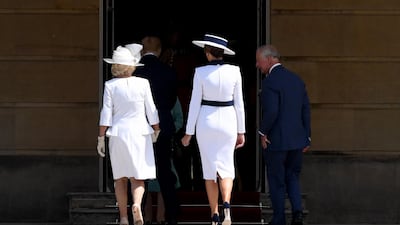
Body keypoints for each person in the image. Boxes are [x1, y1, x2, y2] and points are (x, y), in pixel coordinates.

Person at [181, 34, 246, 225]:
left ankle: (214, 214)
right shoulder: (235, 71)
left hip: (206, 119)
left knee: (209, 170)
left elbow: (194, 103)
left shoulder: (200, 72)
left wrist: (188, 132)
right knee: (226, 166)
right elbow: (239, 104)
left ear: (208, 53)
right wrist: (241, 131)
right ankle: (226, 204)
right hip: (228, 119)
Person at [97, 45, 160, 225]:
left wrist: (101, 137)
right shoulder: (143, 83)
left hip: (118, 134)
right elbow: (152, 110)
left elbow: (106, 114)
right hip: (140, 133)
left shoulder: (110, 85)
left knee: (120, 178)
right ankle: (137, 205)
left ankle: (124, 217)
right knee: (137, 177)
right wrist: (156, 129)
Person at [255, 45, 311, 225]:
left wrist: (262, 132)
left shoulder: (270, 82)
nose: (257, 65)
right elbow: (305, 110)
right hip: (297, 140)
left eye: (259, 61)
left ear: (270, 59)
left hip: (277, 140)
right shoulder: (297, 79)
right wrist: (307, 136)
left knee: (277, 180)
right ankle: (297, 213)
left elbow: (272, 111)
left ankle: (279, 218)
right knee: (293, 177)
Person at [133, 35, 180, 225]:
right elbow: (171, 101)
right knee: (164, 171)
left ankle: (138, 211)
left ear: (142, 52)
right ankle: (171, 215)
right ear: (159, 51)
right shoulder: (168, 72)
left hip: (139, 125)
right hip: (163, 124)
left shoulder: (135, 72)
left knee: (138, 172)